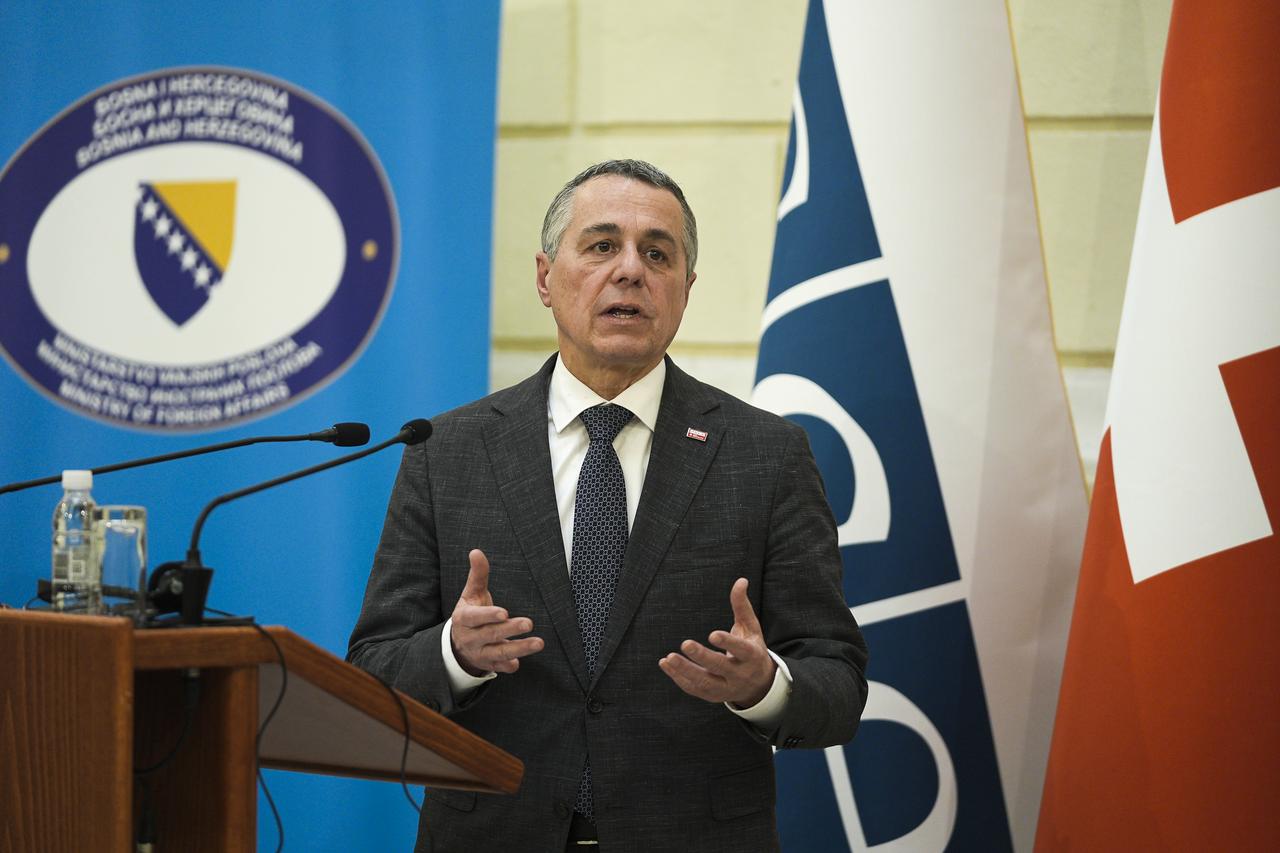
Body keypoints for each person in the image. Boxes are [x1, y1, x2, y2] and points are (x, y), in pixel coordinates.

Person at [347, 159, 868, 852]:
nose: (629, 271)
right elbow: (372, 668)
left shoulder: (767, 456)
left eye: (658, 253)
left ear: (685, 289)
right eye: (601, 246)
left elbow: (837, 683)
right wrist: (454, 652)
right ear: (544, 278)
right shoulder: (447, 450)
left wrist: (764, 684)